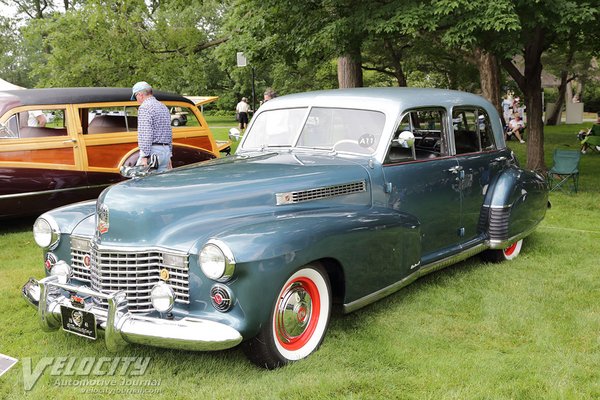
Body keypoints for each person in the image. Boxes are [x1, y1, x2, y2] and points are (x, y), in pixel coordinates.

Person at [131, 81, 172, 172]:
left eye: (135, 97)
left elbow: (146, 133)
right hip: (165, 151)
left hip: (153, 152)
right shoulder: (163, 106)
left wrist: (144, 156)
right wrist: (169, 155)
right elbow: (168, 132)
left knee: (139, 182)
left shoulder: (145, 107)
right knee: (161, 183)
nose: (136, 100)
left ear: (140, 95)